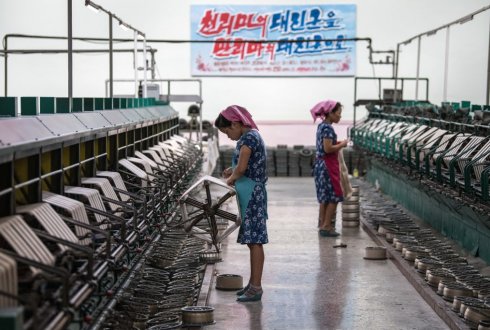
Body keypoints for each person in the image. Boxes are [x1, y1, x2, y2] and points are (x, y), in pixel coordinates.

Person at [214, 105, 268, 302]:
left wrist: (230, 180)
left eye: (227, 131)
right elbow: (244, 165)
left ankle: (256, 287)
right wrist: (232, 170)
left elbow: (243, 168)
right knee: (253, 241)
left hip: (252, 194)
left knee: (255, 242)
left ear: (235, 123)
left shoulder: (248, 138)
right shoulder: (251, 137)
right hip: (251, 193)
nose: (227, 135)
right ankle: (253, 284)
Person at [311, 100, 349, 237]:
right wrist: (343, 144)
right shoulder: (328, 128)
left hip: (321, 165)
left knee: (324, 197)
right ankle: (327, 226)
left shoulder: (322, 126)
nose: (340, 116)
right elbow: (327, 149)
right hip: (327, 166)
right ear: (330, 113)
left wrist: (336, 143)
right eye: (338, 113)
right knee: (334, 196)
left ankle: (322, 224)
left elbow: (326, 144)